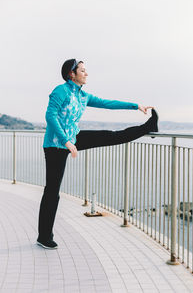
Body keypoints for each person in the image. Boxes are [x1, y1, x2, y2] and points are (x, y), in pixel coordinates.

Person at [37, 59, 158, 249]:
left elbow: (107, 103)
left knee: (110, 136)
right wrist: (66, 141)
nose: (86, 74)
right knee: (52, 192)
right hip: (55, 146)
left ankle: (149, 126)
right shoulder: (61, 91)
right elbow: (50, 116)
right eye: (82, 70)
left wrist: (136, 106)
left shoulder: (82, 96)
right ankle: (44, 236)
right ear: (71, 74)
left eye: (86, 70)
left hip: (74, 139)